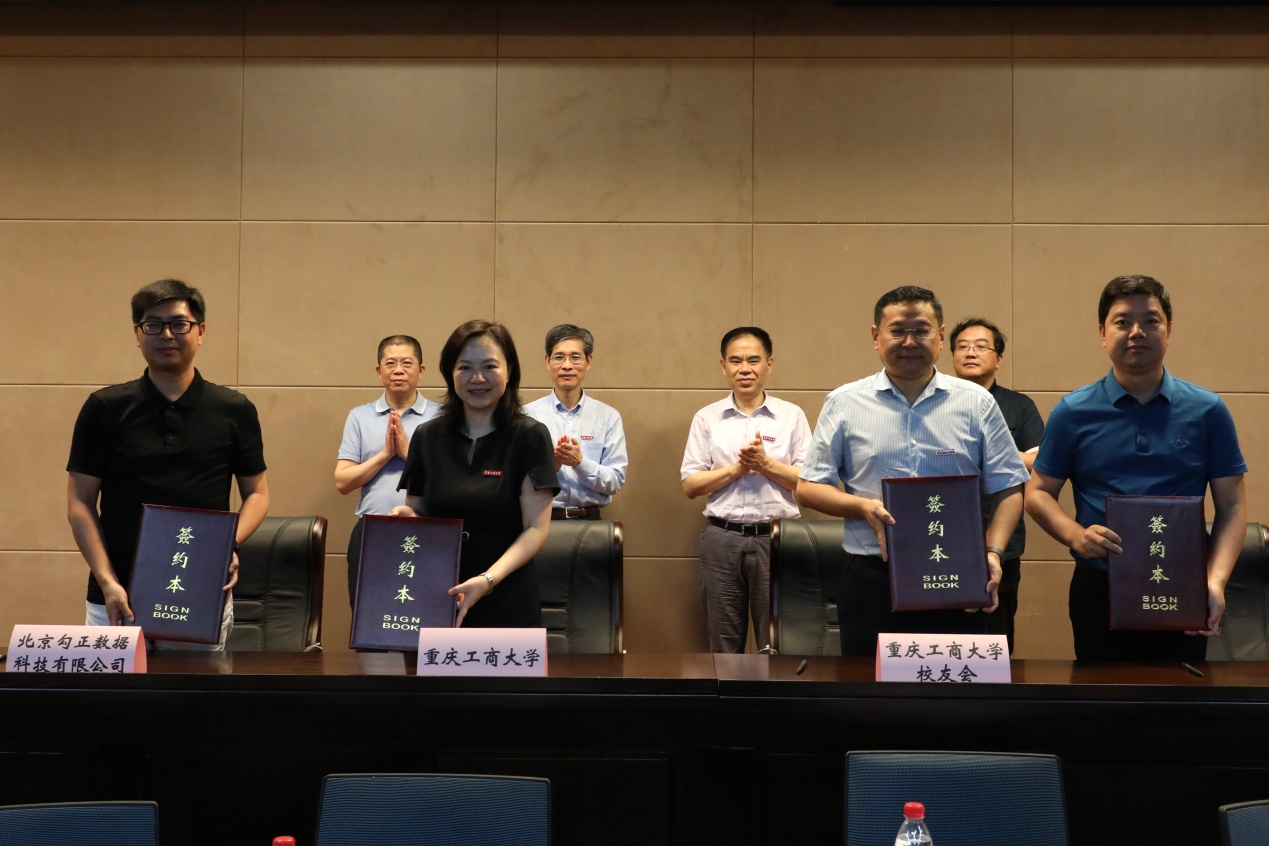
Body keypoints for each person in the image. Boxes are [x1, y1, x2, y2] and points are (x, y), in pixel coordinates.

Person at [796, 286, 1030, 657]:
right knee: (870, 687)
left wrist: (993, 552)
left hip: (957, 575)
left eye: (921, 330)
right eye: (897, 330)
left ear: (940, 336)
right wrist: (862, 507)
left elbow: (1009, 488)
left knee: (956, 686)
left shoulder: (977, 402)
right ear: (876, 336)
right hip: (872, 578)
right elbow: (808, 487)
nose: (909, 341)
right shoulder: (844, 403)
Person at [1025, 275, 1247, 662]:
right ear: (1102, 332)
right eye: (1123, 321)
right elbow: (1038, 491)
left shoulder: (1208, 410)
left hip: (1182, 586)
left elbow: (1232, 506)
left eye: (1151, 321)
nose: (1137, 332)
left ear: (1169, 330)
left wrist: (1215, 581)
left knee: (1181, 695)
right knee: (1102, 696)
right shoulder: (1073, 411)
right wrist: (1075, 535)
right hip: (1100, 587)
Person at [66, 279, 269, 649]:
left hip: (200, 592)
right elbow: (80, 501)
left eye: (179, 324)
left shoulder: (234, 409)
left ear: (201, 331)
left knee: (197, 689)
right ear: (137, 333)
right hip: (116, 595)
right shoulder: (104, 408)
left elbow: (257, 494)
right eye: (153, 324)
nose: (166, 334)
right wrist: (108, 582)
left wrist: (228, 545)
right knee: (112, 689)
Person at [391, 320, 559, 627]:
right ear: (450, 373)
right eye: (465, 367)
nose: (477, 378)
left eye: (490, 366)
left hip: (506, 592)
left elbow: (536, 528)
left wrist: (487, 579)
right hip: (439, 591)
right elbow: (418, 512)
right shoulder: (427, 436)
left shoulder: (530, 436)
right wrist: (407, 518)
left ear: (510, 371)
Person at [681, 327, 810, 653]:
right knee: (724, 644)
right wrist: (736, 470)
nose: (745, 369)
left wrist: (765, 465)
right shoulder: (707, 418)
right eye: (736, 361)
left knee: (778, 642)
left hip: (777, 539)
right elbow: (691, 484)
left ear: (769, 364)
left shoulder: (791, 416)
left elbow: (809, 482)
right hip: (722, 539)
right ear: (723, 366)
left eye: (753, 360)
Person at [950, 317, 1045, 651]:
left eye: (981, 347)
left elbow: (1041, 461)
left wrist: (993, 454)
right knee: (940, 634)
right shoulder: (938, 402)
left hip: (1000, 538)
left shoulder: (1018, 405)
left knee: (993, 635)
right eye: (962, 346)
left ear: (998, 359)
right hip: (943, 533)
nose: (970, 353)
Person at [335, 335, 441, 606]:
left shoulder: (443, 417)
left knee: (423, 614)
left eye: (407, 363)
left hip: (428, 531)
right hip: (372, 532)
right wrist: (385, 454)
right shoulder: (360, 416)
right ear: (379, 371)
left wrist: (407, 453)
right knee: (368, 614)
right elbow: (343, 482)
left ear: (421, 370)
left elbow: (453, 480)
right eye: (390, 363)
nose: (398, 370)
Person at [523, 324, 628, 520]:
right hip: (541, 520)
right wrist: (551, 467)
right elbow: (515, 480)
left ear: (588, 361)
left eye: (575, 357)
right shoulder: (527, 416)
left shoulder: (608, 416)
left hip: (590, 520)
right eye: (559, 357)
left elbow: (615, 481)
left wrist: (580, 463)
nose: (567, 366)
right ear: (548, 361)